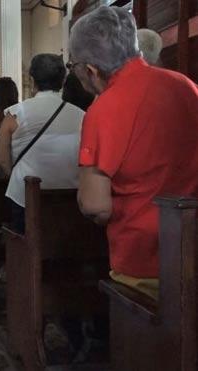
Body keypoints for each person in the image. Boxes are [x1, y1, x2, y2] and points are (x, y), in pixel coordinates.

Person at [70, 6, 198, 299]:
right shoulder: (187, 86)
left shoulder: (104, 109)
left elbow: (94, 205)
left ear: (90, 70)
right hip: (192, 249)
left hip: (145, 262)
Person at [0, 53, 84, 233]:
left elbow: (2, 159)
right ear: (61, 80)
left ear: (33, 80)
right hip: (70, 198)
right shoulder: (82, 116)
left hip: (24, 198)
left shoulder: (15, 114)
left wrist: (16, 175)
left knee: (26, 246)